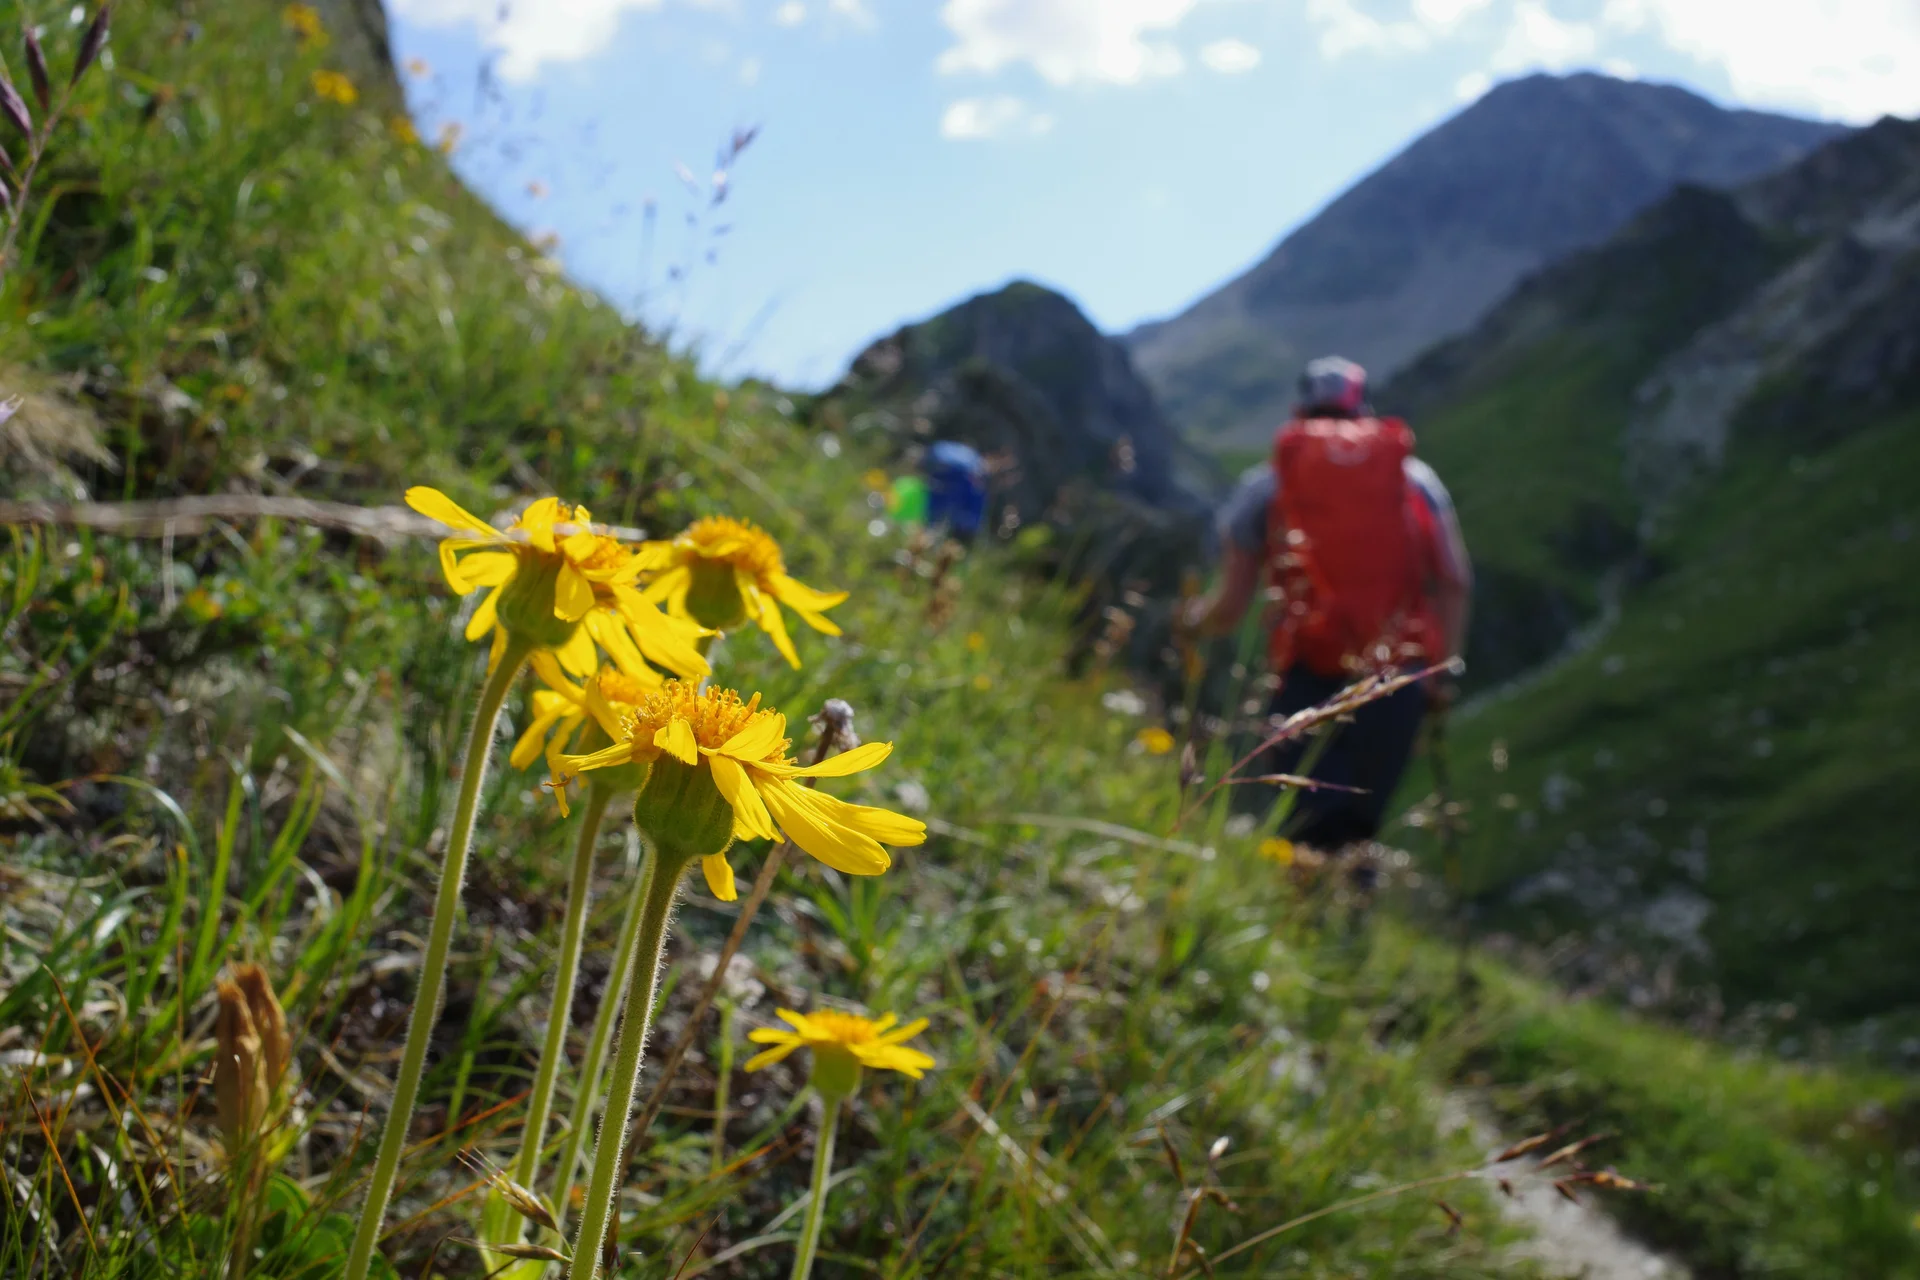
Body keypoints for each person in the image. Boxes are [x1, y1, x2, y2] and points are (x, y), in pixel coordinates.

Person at [1182, 356, 1472, 851]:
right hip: (1397, 675)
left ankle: (1299, 920)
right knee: (1360, 832)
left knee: (1304, 832)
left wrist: (1188, 624)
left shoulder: (1267, 484)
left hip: (1305, 672)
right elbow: (1455, 580)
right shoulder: (1414, 478)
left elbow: (1229, 606)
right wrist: (1439, 677)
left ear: (1298, 412)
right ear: (1363, 411)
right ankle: (1348, 915)